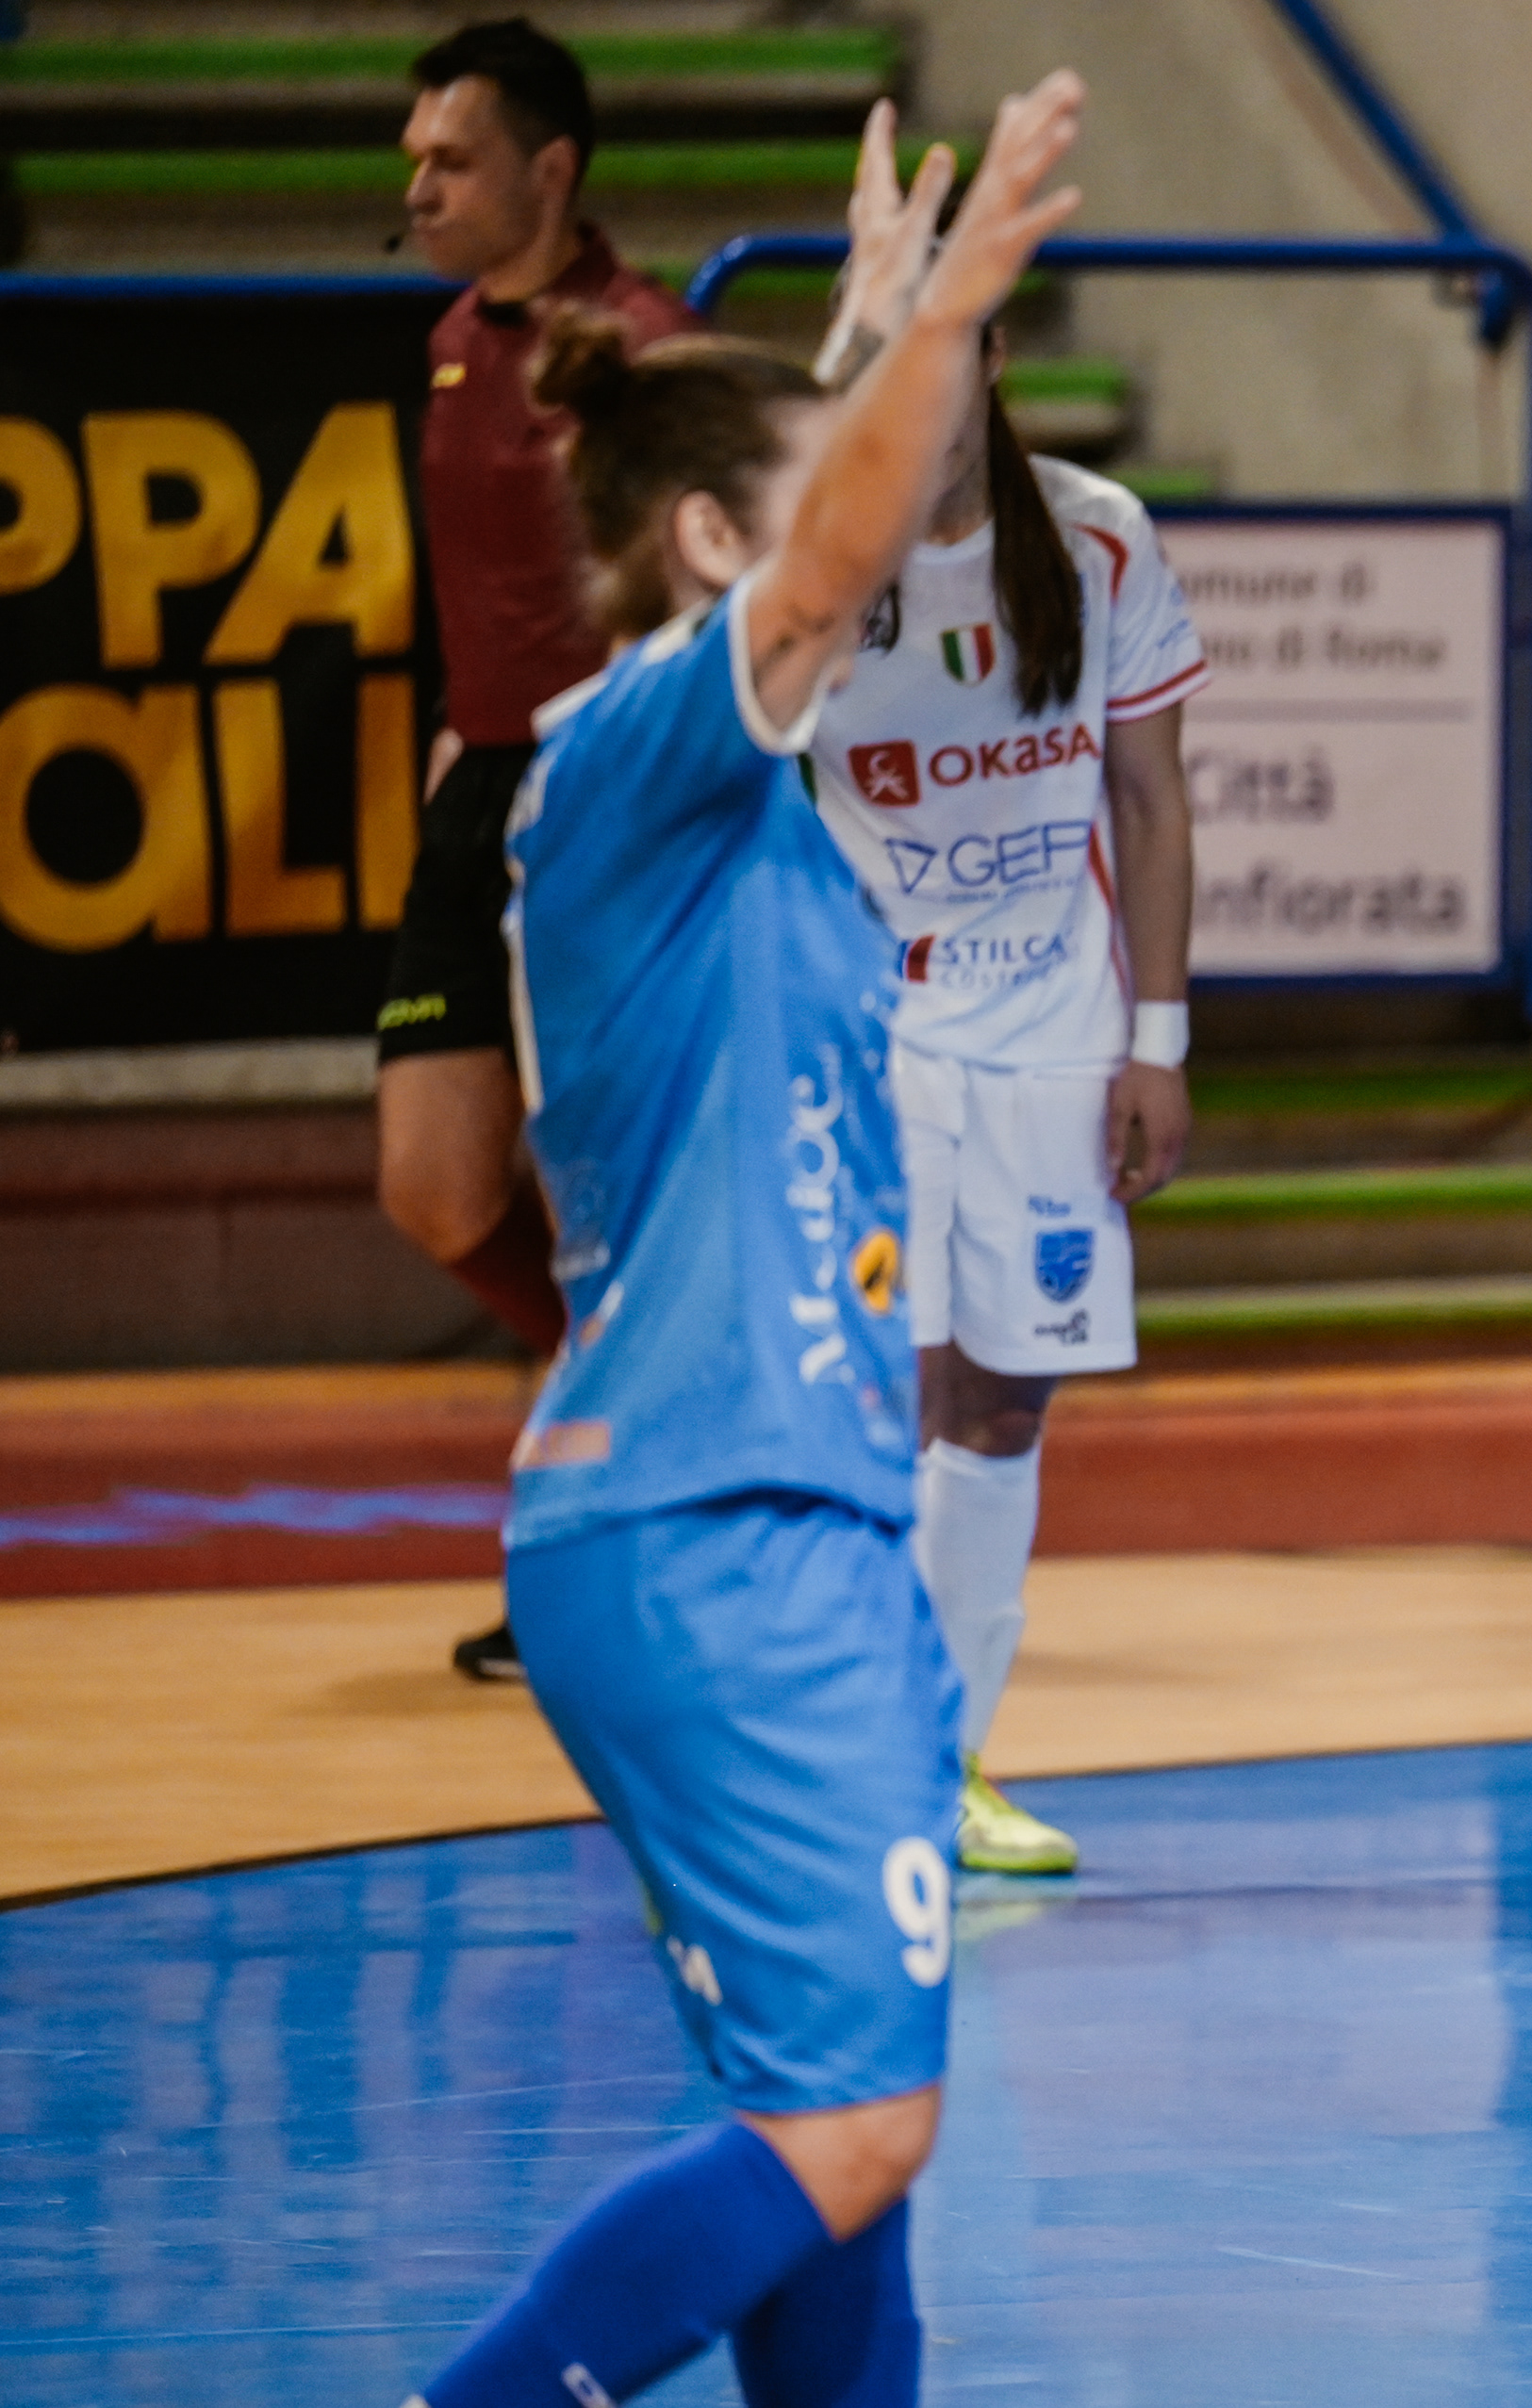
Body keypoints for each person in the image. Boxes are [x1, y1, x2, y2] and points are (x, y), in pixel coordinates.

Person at [403, 74, 1084, 2408]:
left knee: (840, 2136)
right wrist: (949, 318)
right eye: (822, 496)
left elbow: (802, 539)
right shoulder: (616, 755)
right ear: (706, 544)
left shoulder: (724, 792)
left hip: (795, 1529)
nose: (884, 529)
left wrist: (874, 327)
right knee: (859, 2124)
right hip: (710, 1530)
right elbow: (812, 564)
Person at [797, 117, 1210, 1876]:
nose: (923, 391)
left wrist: (1157, 1044)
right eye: (894, 359)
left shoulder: (1099, 544)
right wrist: (859, 323)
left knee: (1004, 1405)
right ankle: (843, 1759)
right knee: (886, 1395)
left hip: (1054, 1036)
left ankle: (943, 1763)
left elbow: (1154, 802)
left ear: (993, 365)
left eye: (946, 350)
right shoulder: (818, 562)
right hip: (870, 1041)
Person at [384, 16, 699, 1684]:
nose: (421, 188)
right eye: (415, 161)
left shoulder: (649, 349)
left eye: (454, 160)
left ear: (552, 171)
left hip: (607, 804)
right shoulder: (447, 343)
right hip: (478, 789)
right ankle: (659, 1393)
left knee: (598, 1198)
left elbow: (712, 606)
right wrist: (459, 733)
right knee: (436, 1188)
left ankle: (612, 1532)